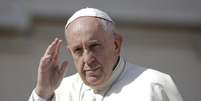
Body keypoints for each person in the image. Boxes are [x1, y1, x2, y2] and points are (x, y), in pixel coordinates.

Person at [28, 8, 183, 101]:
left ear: (116, 44)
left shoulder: (154, 85)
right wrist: (42, 93)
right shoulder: (58, 92)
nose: (87, 59)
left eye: (94, 46)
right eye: (78, 50)